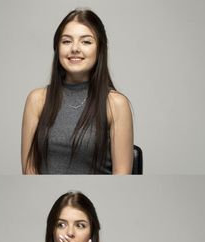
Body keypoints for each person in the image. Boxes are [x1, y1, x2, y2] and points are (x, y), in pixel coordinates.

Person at [21, 9, 133, 174]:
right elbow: (29, 169)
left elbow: (121, 175)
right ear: (57, 48)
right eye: (66, 41)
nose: (74, 48)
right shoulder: (37, 99)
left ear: (99, 49)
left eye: (86, 42)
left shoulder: (115, 104)